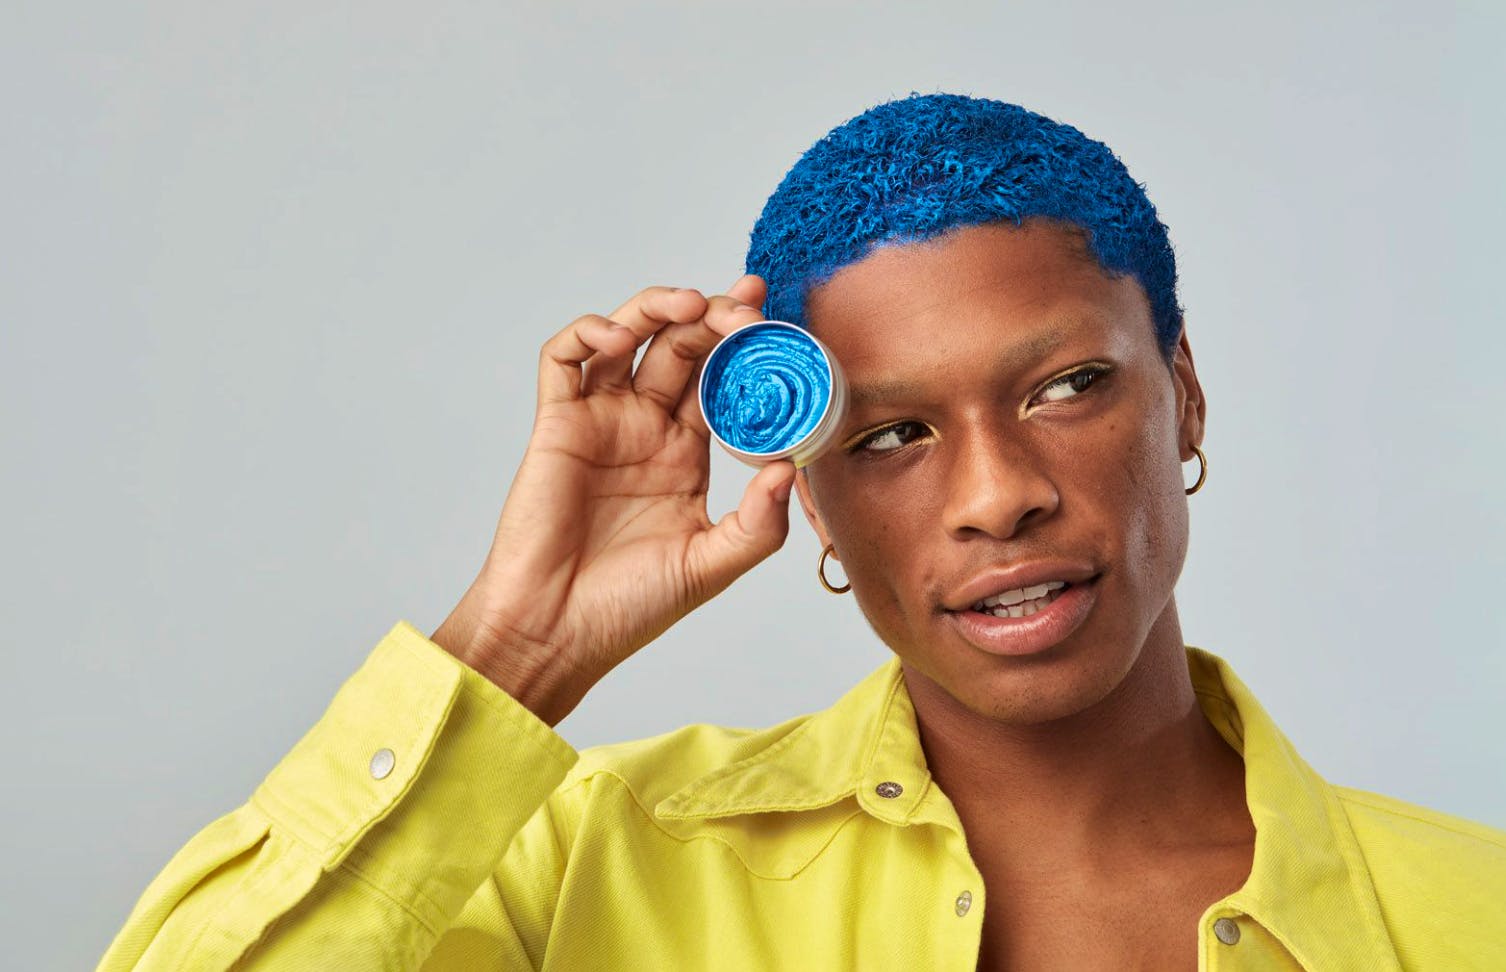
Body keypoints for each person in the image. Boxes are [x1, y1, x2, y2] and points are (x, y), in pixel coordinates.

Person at [99, 93, 1504, 971]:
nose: (995, 494)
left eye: (1065, 385)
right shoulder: (585, 869)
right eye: (888, 436)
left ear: (1181, 394)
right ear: (809, 491)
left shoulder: (1470, 913)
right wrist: (513, 651)